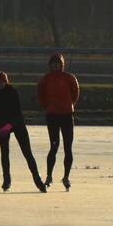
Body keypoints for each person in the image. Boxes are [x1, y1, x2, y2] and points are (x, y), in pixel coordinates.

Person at [0, 71, 46, 193]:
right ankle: (7, 180)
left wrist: (9, 126)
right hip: (3, 124)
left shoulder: (12, 92)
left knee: (27, 153)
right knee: (4, 153)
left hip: (17, 124)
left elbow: (18, 113)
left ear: (6, 82)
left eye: (1, 82)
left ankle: (38, 180)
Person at [37, 53, 80, 191]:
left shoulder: (69, 78)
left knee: (68, 147)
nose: (55, 65)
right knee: (54, 146)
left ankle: (66, 177)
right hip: (52, 116)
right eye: (53, 63)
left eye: (58, 63)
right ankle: (49, 176)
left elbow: (75, 93)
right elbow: (40, 93)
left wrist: (69, 104)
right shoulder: (46, 79)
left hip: (67, 115)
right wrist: (47, 107)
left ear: (62, 64)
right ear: (50, 65)